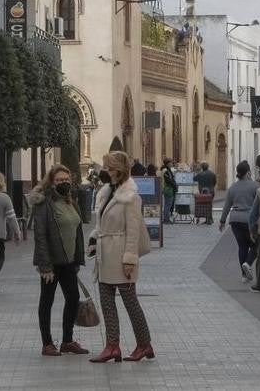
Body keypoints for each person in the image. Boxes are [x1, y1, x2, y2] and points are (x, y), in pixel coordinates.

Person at [89, 150, 154, 363]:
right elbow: (101, 224)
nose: (105, 171)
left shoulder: (131, 197)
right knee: (107, 303)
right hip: (105, 256)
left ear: (119, 170)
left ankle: (144, 344)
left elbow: (133, 231)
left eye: (109, 168)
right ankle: (112, 346)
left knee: (130, 303)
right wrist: (93, 239)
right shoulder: (107, 193)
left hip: (121, 257)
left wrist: (129, 259)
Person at [30, 165, 90, 357]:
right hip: (52, 263)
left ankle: (67, 341)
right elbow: (40, 235)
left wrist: (78, 259)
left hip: (69, 262)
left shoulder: (70, 201)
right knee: (47, 301)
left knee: (73, 299)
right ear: (51, 182)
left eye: (66, 180)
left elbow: (77, 231)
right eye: (59, 180)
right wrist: (45, 266)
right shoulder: (44, 203)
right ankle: (47, 343)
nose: (64, 183)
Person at [219, 161, 259, 281]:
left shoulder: (232, 188)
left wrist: (222, 221)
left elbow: (226, 206)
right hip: (249, 220)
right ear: (248, 172)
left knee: (242, 246)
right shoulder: (255, 186)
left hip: (235, 220)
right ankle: (248, 263)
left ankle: (244, 275)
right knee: (256, 245)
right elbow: (259, 204)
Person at [161, 158, 177, 225]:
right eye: (171, 162)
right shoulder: (166, 170)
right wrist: (174, 185)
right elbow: (168, 180)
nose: (172, 164)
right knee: (168, 205)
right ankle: (166, 219)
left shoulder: (167, 170)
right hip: (168, 189)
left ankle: (166, 219)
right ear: (167, 163)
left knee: (168, 204)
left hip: (169, 189)